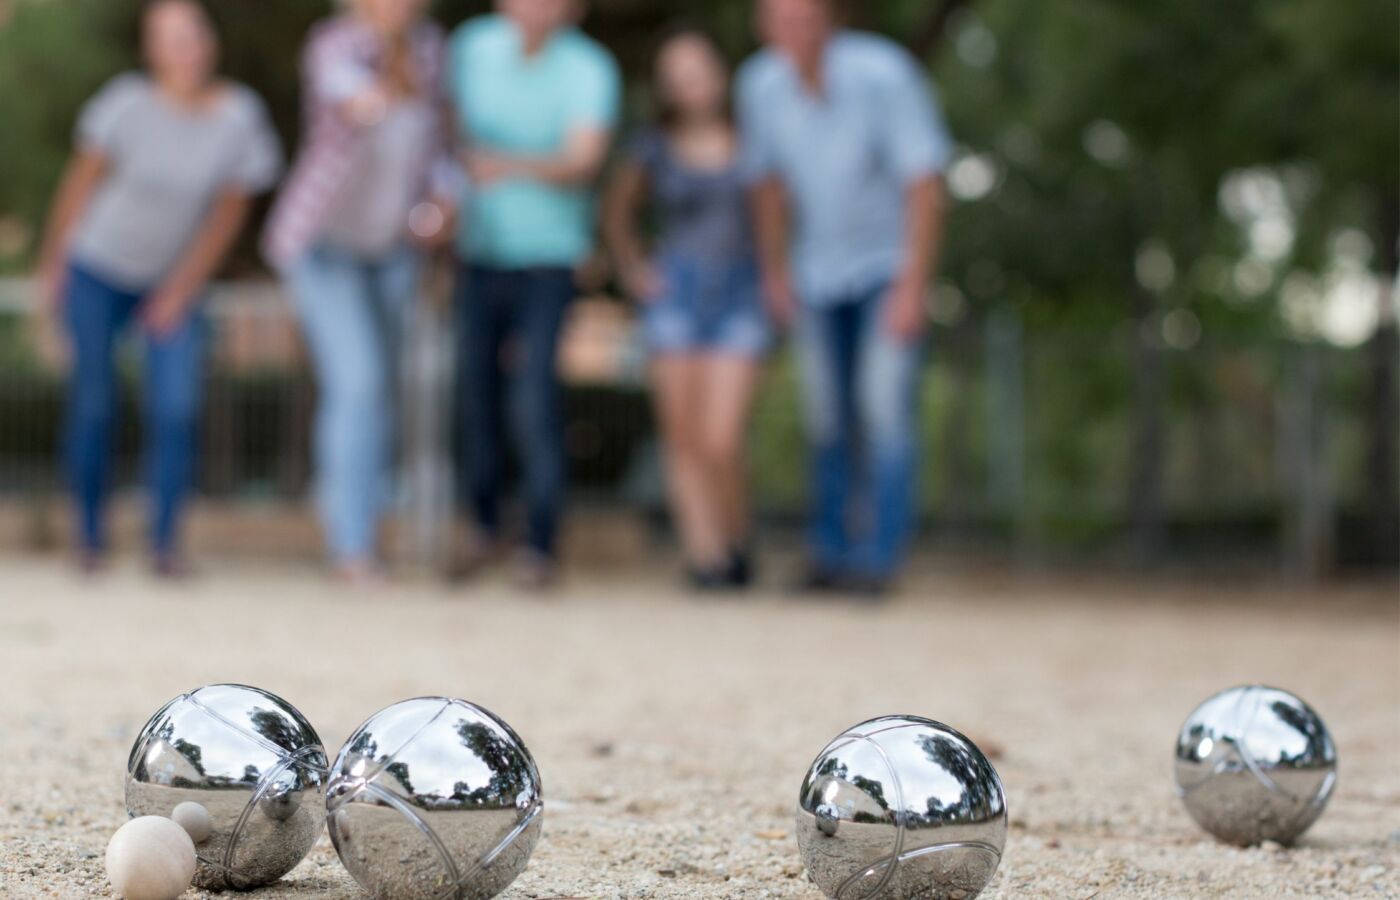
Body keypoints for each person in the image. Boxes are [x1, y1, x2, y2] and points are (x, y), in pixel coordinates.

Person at [34, 0, 282, 577]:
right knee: (94, 404)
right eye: (169, 39)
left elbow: (228, 214)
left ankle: (164, 544)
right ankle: (89, 539)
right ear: (152, 50)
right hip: (97, 268)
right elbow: (78, 187)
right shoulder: (124, 104)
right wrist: (55, 272)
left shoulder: (239, 117)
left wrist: (179, 288)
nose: (184, 49)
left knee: (176, 409)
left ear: (210, 43)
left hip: (173, 281)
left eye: (192, 36)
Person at [738, 0, 953, 595]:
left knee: (884, 412)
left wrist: (913, 286)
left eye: (804, 16)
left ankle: (878, 560)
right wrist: (774, 272)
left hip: (887, 267)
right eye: (780, 18)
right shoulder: (759, 85)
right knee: (826, 417)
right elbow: (766, 185)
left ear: (829, 19)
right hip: (815, 272)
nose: (793, 30)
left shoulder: (885, 74)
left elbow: (925, 182)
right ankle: (829, 555)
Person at [264, 0, 456, 585]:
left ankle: (362, 529)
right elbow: (357, 104)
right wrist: (396, 80)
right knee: (359, 382)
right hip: (323, 248)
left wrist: (448, 200)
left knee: (382, 395)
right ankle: (352, 548)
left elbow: (441, 151)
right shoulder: (333, 45)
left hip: (392, 250)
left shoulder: (432, 52)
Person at [446, 0, 621, 589]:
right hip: (477, 252)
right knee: (475, 395)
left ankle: (540, 542)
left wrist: (502, 163)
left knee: (534, 398)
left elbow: (584, 159)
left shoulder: (589, 67)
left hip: (550, 257)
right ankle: (484, 524)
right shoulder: (472, 47)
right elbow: (446, 136)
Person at [602, 26, 768, 591]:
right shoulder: (650, 147)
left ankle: (736, 537)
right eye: (676, 79)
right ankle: (705, 557)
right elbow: (618, 212)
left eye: (696, 72)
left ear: (719, 76)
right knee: (682, 436)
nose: (688, 86)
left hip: (741, 294)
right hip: (676, 295)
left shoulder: (754, 140)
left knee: (721, 438)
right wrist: (633, 269)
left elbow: (775, 219)